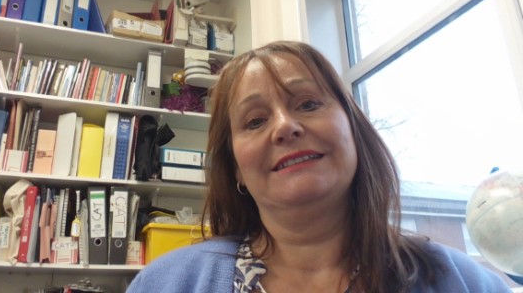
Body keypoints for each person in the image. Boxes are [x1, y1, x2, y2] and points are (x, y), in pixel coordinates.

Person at [127, 40, 511, 292]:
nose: (284, 126)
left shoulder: (463, 282)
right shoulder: (163, 285)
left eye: (308, 104)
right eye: (255, 121)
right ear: (236, 170)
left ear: (354, 130)